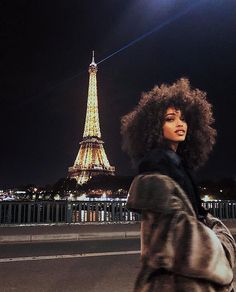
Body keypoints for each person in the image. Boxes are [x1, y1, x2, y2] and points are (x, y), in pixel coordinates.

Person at [121, 78, 235, 291]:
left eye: (183, 118)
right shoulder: (158, 170)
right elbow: (185, 243)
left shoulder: (177, 167)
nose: (180, 124)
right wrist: (222, 242)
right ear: (155, 126)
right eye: (170, 119)